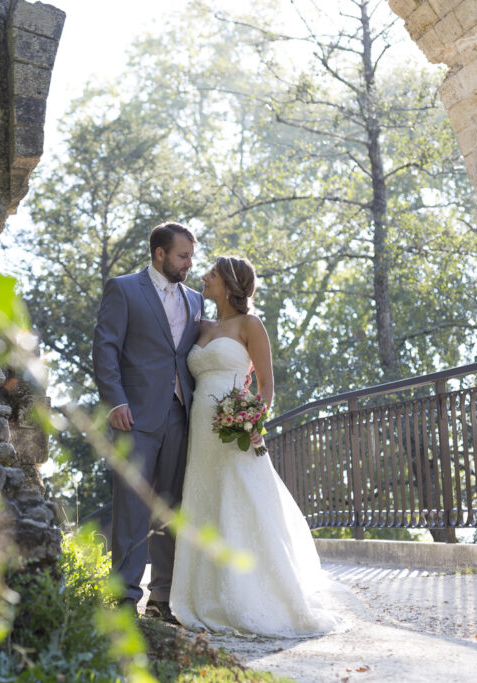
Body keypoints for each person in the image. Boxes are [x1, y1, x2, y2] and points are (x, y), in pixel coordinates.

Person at [170, 255, 343, 637]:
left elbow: (266, 385)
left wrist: (251, 421)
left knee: (241, 500)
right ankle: (205, 596)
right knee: (206, 501)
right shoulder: (200, 325)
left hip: (233, 426)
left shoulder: (251, 324)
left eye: (211, 275)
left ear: (229, 284)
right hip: (200, 425)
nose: (204, 278)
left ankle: (254, 595)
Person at [92, 222, 204, 621]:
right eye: (183, 255)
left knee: (172, 506)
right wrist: (115, 401)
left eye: (191, 255)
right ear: (160, 254)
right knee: (132, 505)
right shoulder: (123, 289)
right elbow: (105, 348)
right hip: (134, 417)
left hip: (180, 414)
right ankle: (124, 596)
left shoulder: (196, 299)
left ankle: (162, 598)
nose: (189, 263)